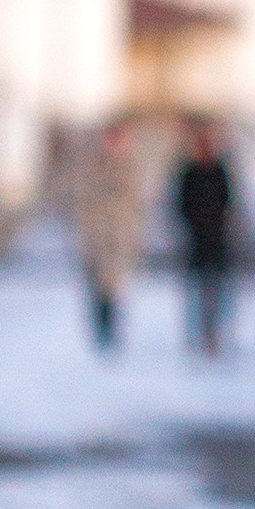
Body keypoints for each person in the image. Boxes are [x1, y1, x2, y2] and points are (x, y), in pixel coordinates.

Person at [70, 117, 144, 351]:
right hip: (97, 238)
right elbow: (83, 203)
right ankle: (101, 332)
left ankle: (112, 331)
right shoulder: (94, 169)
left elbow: (136, 206)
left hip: (120, 238)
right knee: (97, 287)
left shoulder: (130, 169)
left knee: (115, 287)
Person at [174, 118, 234, 355]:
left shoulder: (220, 171)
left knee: (216, 293)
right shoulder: (188, 172)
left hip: (217, 241)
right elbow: (179, 204)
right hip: (194, 242)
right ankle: (196, 337)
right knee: (195, 293)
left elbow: (229, 204)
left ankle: (213, 337)